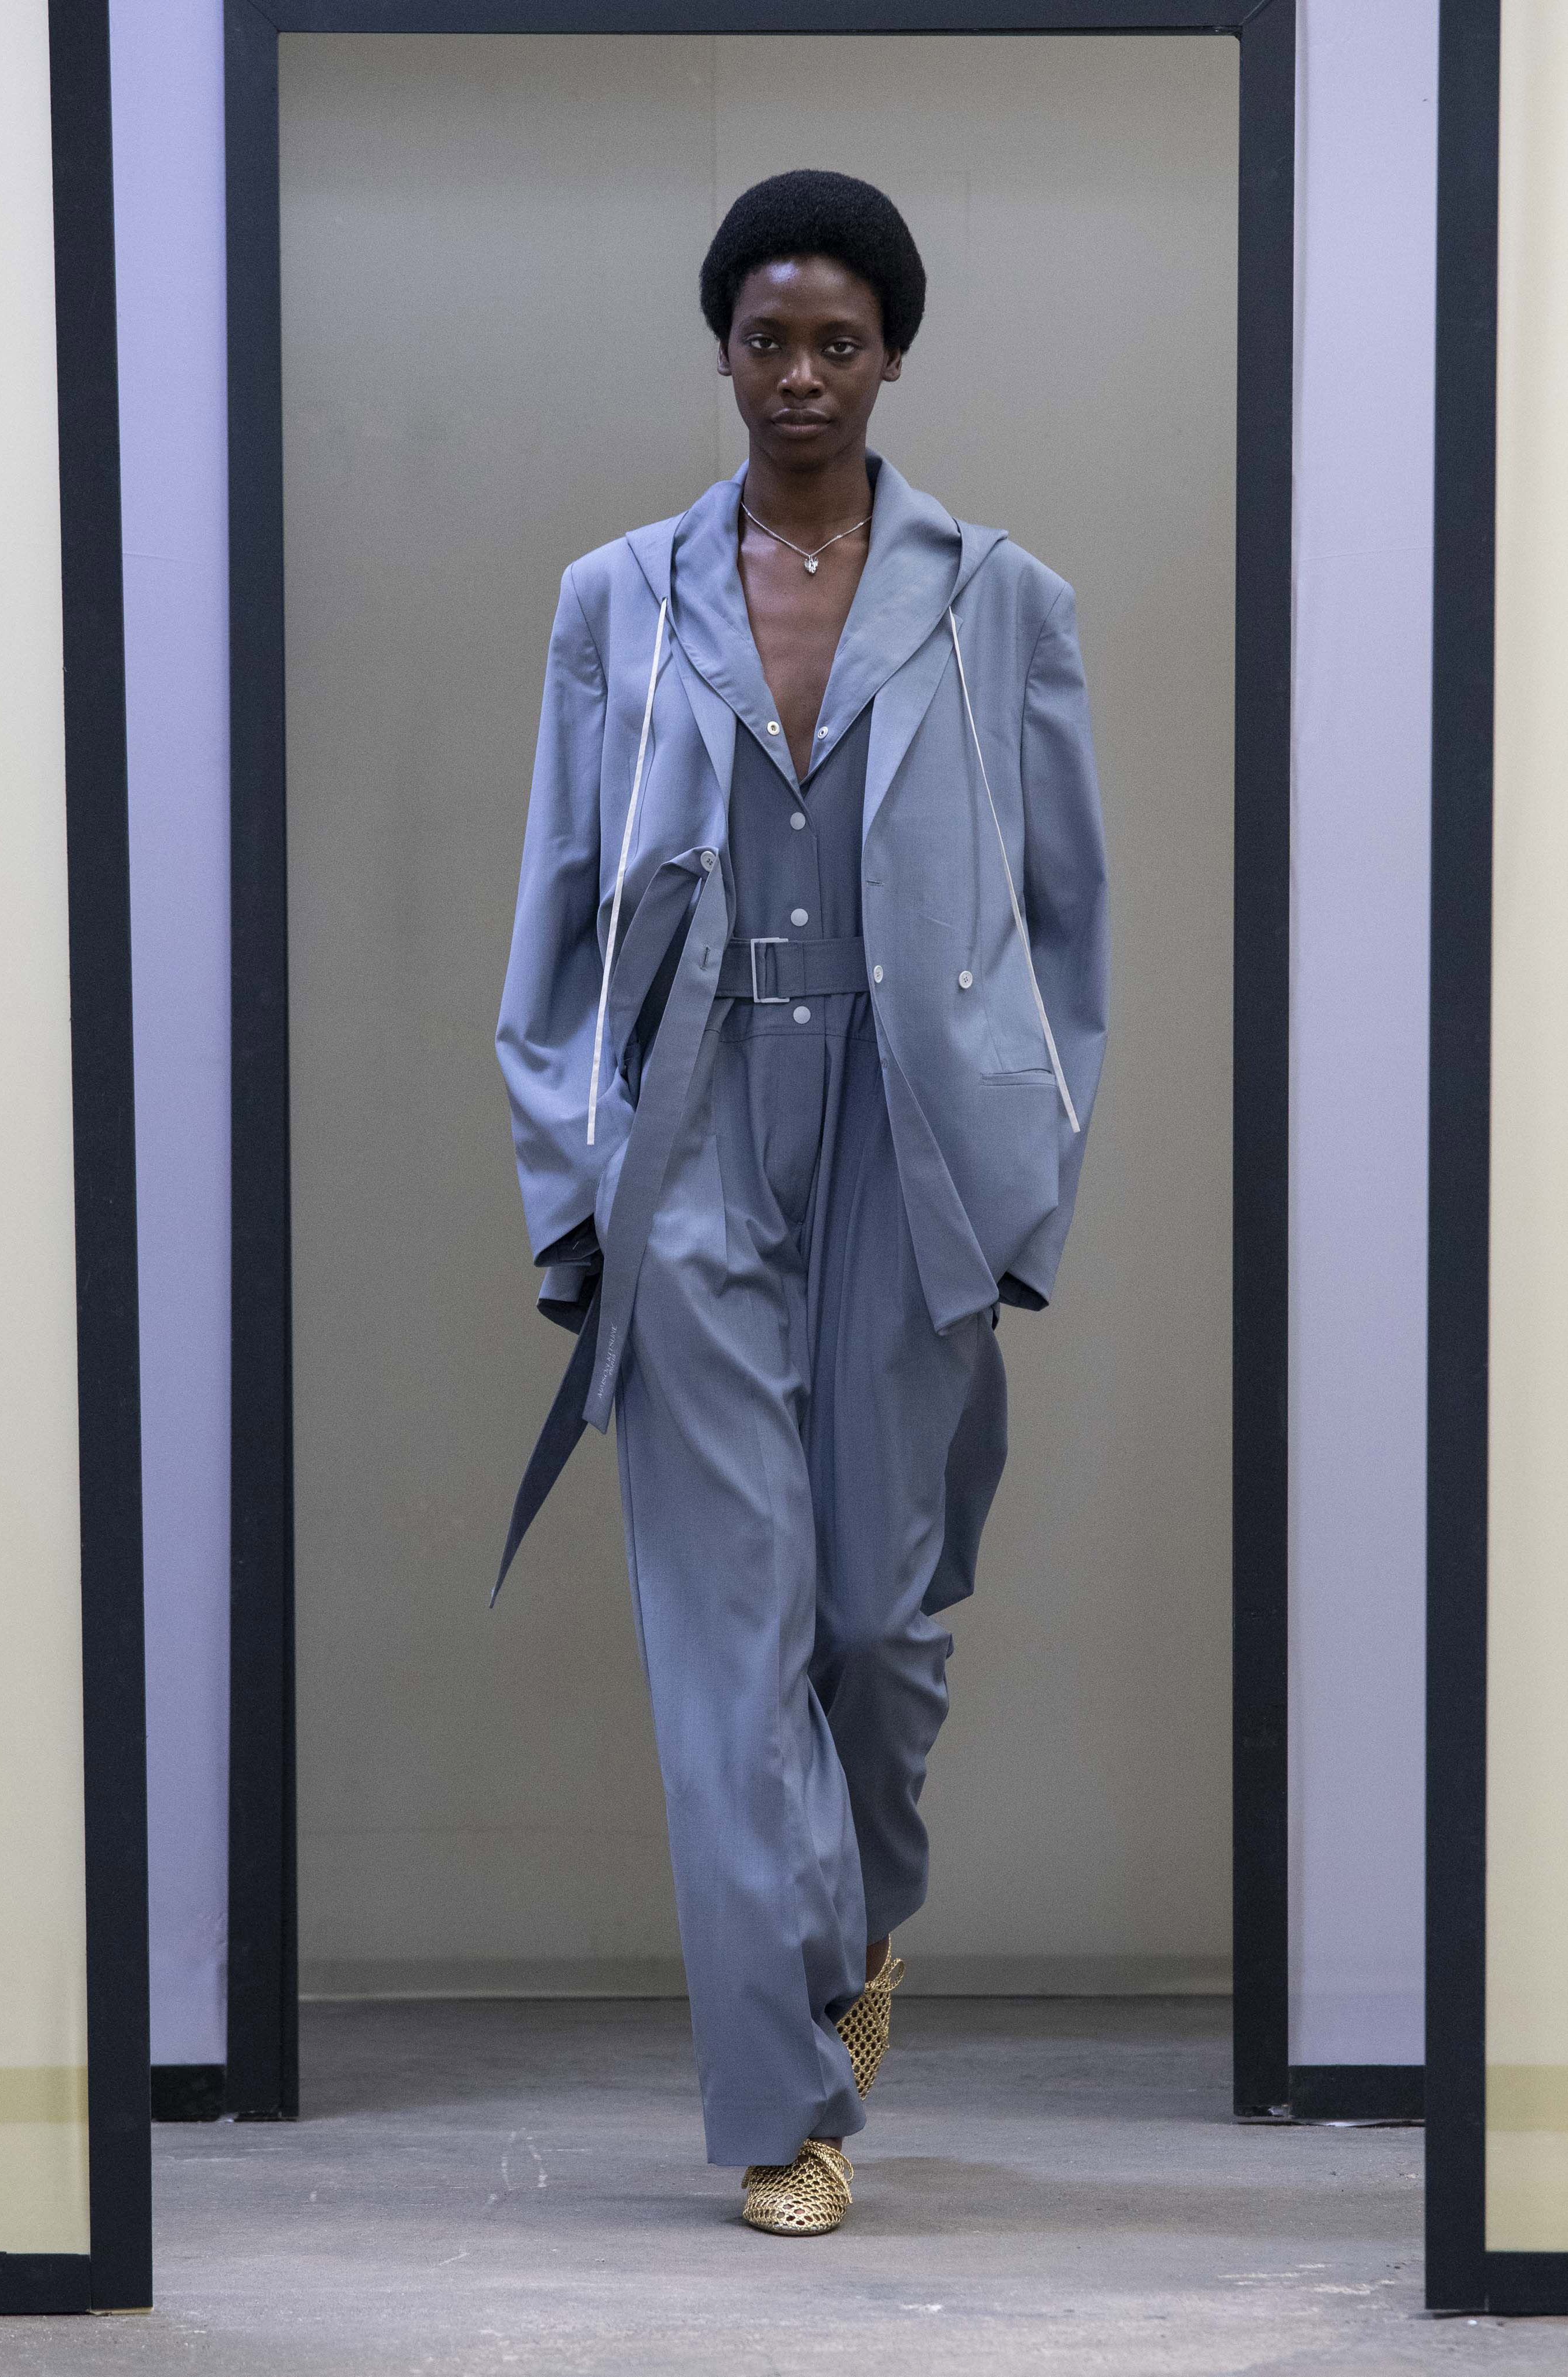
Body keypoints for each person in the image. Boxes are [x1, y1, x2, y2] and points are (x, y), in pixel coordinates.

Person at [496, 169, 1108, 2235]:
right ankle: (784, 2105)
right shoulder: (618, 599)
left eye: (837, 341)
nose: (799, 375)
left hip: (906, 1134)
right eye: (766, 339)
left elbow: (1065, 920)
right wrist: (574, 1178)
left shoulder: (996, 597)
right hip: (684, 1129)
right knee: (726, 1635)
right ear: (724, 353)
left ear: (891, 355)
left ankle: (852, 1938)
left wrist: (1026, 1170)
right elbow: (557, 907)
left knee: (870, 1623)